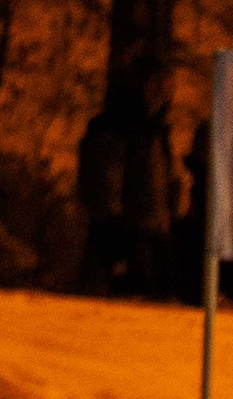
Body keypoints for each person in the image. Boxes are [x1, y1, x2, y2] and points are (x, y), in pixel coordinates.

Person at [76, 56, 180, 298]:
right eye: (157, 83)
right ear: (141, 85)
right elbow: (104, 187)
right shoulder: (115, 128)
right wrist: (115, 241)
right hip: (125, 236)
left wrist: (171, 221)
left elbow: (164, 183)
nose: (164, 92)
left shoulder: (157, 131)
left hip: (155, 238)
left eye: (169, 85)